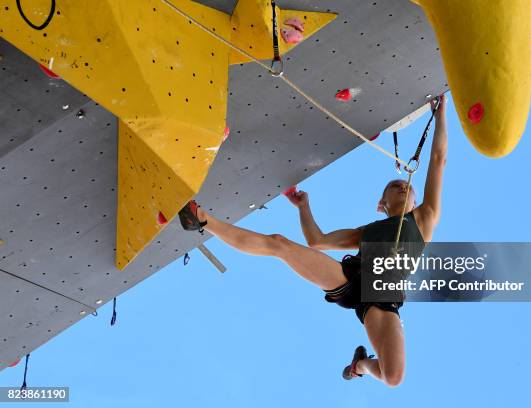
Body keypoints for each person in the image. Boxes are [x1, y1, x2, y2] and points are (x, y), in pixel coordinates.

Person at [179, 95, 448, 387]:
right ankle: (203, 219)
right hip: (352, 277)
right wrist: (303, 206)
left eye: (405, 187)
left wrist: (440, 115)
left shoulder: (423, 221)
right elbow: (317, 241)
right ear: (381, 202)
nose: (401, 186)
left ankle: (359, 365)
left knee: (392, 377)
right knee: (280, 244)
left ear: (415, 199)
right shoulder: (367, 232)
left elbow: (438, 160)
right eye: (394, 186)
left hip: (378, 302)